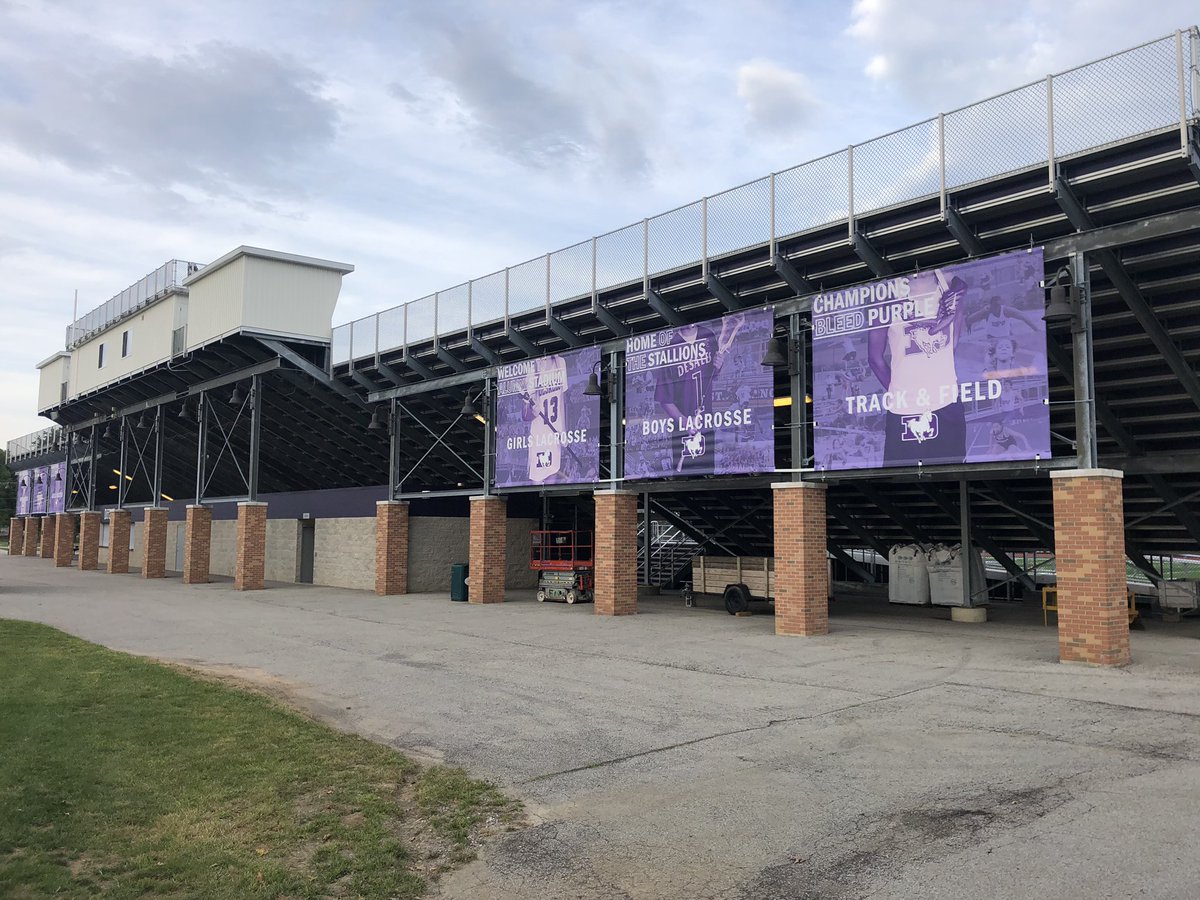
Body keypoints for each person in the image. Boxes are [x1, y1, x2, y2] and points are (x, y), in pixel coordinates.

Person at [867, 270, 968, 466]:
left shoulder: (952, 286)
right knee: (900, 482)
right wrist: (900, 391)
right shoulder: (885, 296)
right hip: (902, 410)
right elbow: (874, 358)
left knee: (954, 480)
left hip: (947, 402)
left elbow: (953, 344)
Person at [652, 318, 733, 474]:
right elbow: (665, 399)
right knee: (683, 476)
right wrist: (685, 422)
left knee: (709, 475)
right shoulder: (671, 348)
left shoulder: (707, 335)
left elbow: (713, 375)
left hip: (706, 421)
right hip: (682, 428)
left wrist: (719, 365)